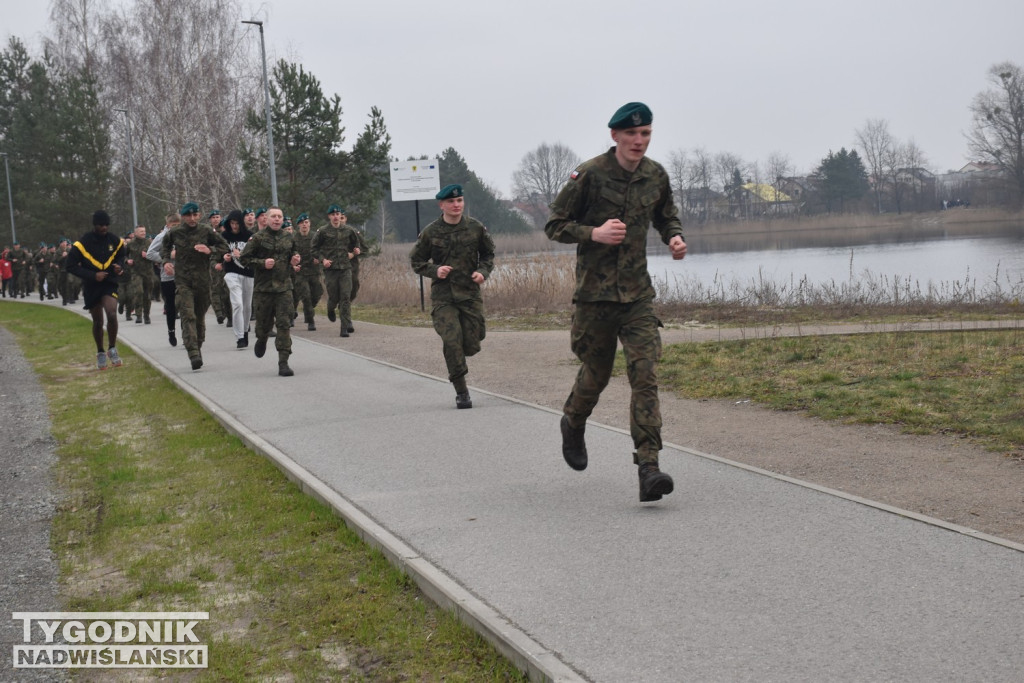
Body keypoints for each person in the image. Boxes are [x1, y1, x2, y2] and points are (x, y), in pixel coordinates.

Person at [544, 102, 688, 503]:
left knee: (645, 375)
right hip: (595, 297)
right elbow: (554, 225)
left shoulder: (655, 175)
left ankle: (649, 467)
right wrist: (595, 232)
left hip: (638, 295)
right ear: (615, 137)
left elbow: (666, 215)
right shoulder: (589, 174)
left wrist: (673, 237)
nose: (639, 141)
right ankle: (573, 421)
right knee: (597, 374)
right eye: (631, 135)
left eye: (645, 135)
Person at [410, 184, 495, 409]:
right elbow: (416, 261)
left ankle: (464, 352)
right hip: (443, 296)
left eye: (459, 201)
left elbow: (488, 254)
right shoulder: (431, 232)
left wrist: (483, 272)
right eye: (451, 202)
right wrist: (435, 270)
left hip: (469, 294)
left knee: (473, 342)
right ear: (442, 205)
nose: (456, 205)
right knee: (452, 340)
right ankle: (462, 391)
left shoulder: (476, 228)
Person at [160, 202, 229, 370]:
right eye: (188, 216)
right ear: (183, 217)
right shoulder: (175, 232)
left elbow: (224, 247)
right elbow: (164, 247)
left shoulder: (205, 231)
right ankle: (193, 353)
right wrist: (166, 261)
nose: (192, 218)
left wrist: (209, 250)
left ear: (198, 215)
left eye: (195, 215)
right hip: (183, 281)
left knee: (199, 318)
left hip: (203, 281)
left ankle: (197, 347)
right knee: (187, 315)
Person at [238, 206, 301, 376]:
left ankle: (283, 362)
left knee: (284, 324)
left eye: (279, 216)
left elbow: (293, 252)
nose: (277, 219)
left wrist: (295, 259)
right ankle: (262, 338)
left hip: (284, 288)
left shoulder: (288, 236)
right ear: (266, 219)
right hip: (264, 289)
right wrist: (262, 263)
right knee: (263, 326)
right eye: (273, 216)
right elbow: (244, 259)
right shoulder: (258, 238)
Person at [65, 210, 127, 370]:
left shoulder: (115, 240)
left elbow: (122, 256)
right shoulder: (83, 243)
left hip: (109, 282)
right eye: (101, 225)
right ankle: (100, 352)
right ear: (95, 225)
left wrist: (120, 266)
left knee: (112, 313)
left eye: (106, 225)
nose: (104, 228)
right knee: (98, 321)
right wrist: (93, 275)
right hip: (92, 284)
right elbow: (70, 266)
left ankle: (112, 348)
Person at [312, 204, 360, 337]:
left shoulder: (349, 230)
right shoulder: (322, 231)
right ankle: (330, 308)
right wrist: (323, 260)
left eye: (337, 214)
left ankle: (344, 327)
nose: (335, 217)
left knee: (345, 296)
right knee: (334, 296)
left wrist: (354, 252)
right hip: (330, 270)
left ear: (340, 215)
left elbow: (357, 245)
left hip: (345, 268)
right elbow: (314, 249)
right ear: (329, 216)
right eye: (333, 214)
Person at [220, 209, 255, 348]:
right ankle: (239, 336)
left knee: (246, 306)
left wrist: (241, 254)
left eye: (237, 223)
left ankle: (245, 330)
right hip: (231, 273)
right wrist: (224, 256)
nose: (234, 226)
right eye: (232, 223)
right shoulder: (224, 236)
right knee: (237, 304)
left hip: (248, 273)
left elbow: (254, 255)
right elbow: (219, 251)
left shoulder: (249, 236)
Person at [146, 213, 180, 346]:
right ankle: (171, 331)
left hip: (184, 275)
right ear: (167, 225)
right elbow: (150, 254)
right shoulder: (162, 237)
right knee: (171, 306)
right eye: (173, 226)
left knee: (185, 305)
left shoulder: (184, 235)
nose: (175, 228)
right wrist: (166, 258)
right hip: (168, 276)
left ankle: (187, 334)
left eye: (178, 225)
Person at [291, 212, 322, 331]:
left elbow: (321, 251)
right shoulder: (294, 238)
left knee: (318, 293)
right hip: (300, 272)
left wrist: (318, 259)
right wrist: (293, 263)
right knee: (306, 296)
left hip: (314, 271)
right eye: (302, 223)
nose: (304, 225)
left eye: (306, 222)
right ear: (298, 225)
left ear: (309, 224)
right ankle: (311, 321)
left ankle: (307, 310)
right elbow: (289, 253)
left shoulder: (316, 237)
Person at [124, 225, 154, 323]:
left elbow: (156, 255)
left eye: (144, 231)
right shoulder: (131, 244)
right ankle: (138, 315)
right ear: (135, 233)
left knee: (147, 295)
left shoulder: (149, 243)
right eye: (141, 231)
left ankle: (147, 315)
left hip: (148, 272)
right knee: (139, 292)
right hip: (136, 272)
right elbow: (124, 256)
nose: (143, 233)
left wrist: (148, 256)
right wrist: (127, 260)